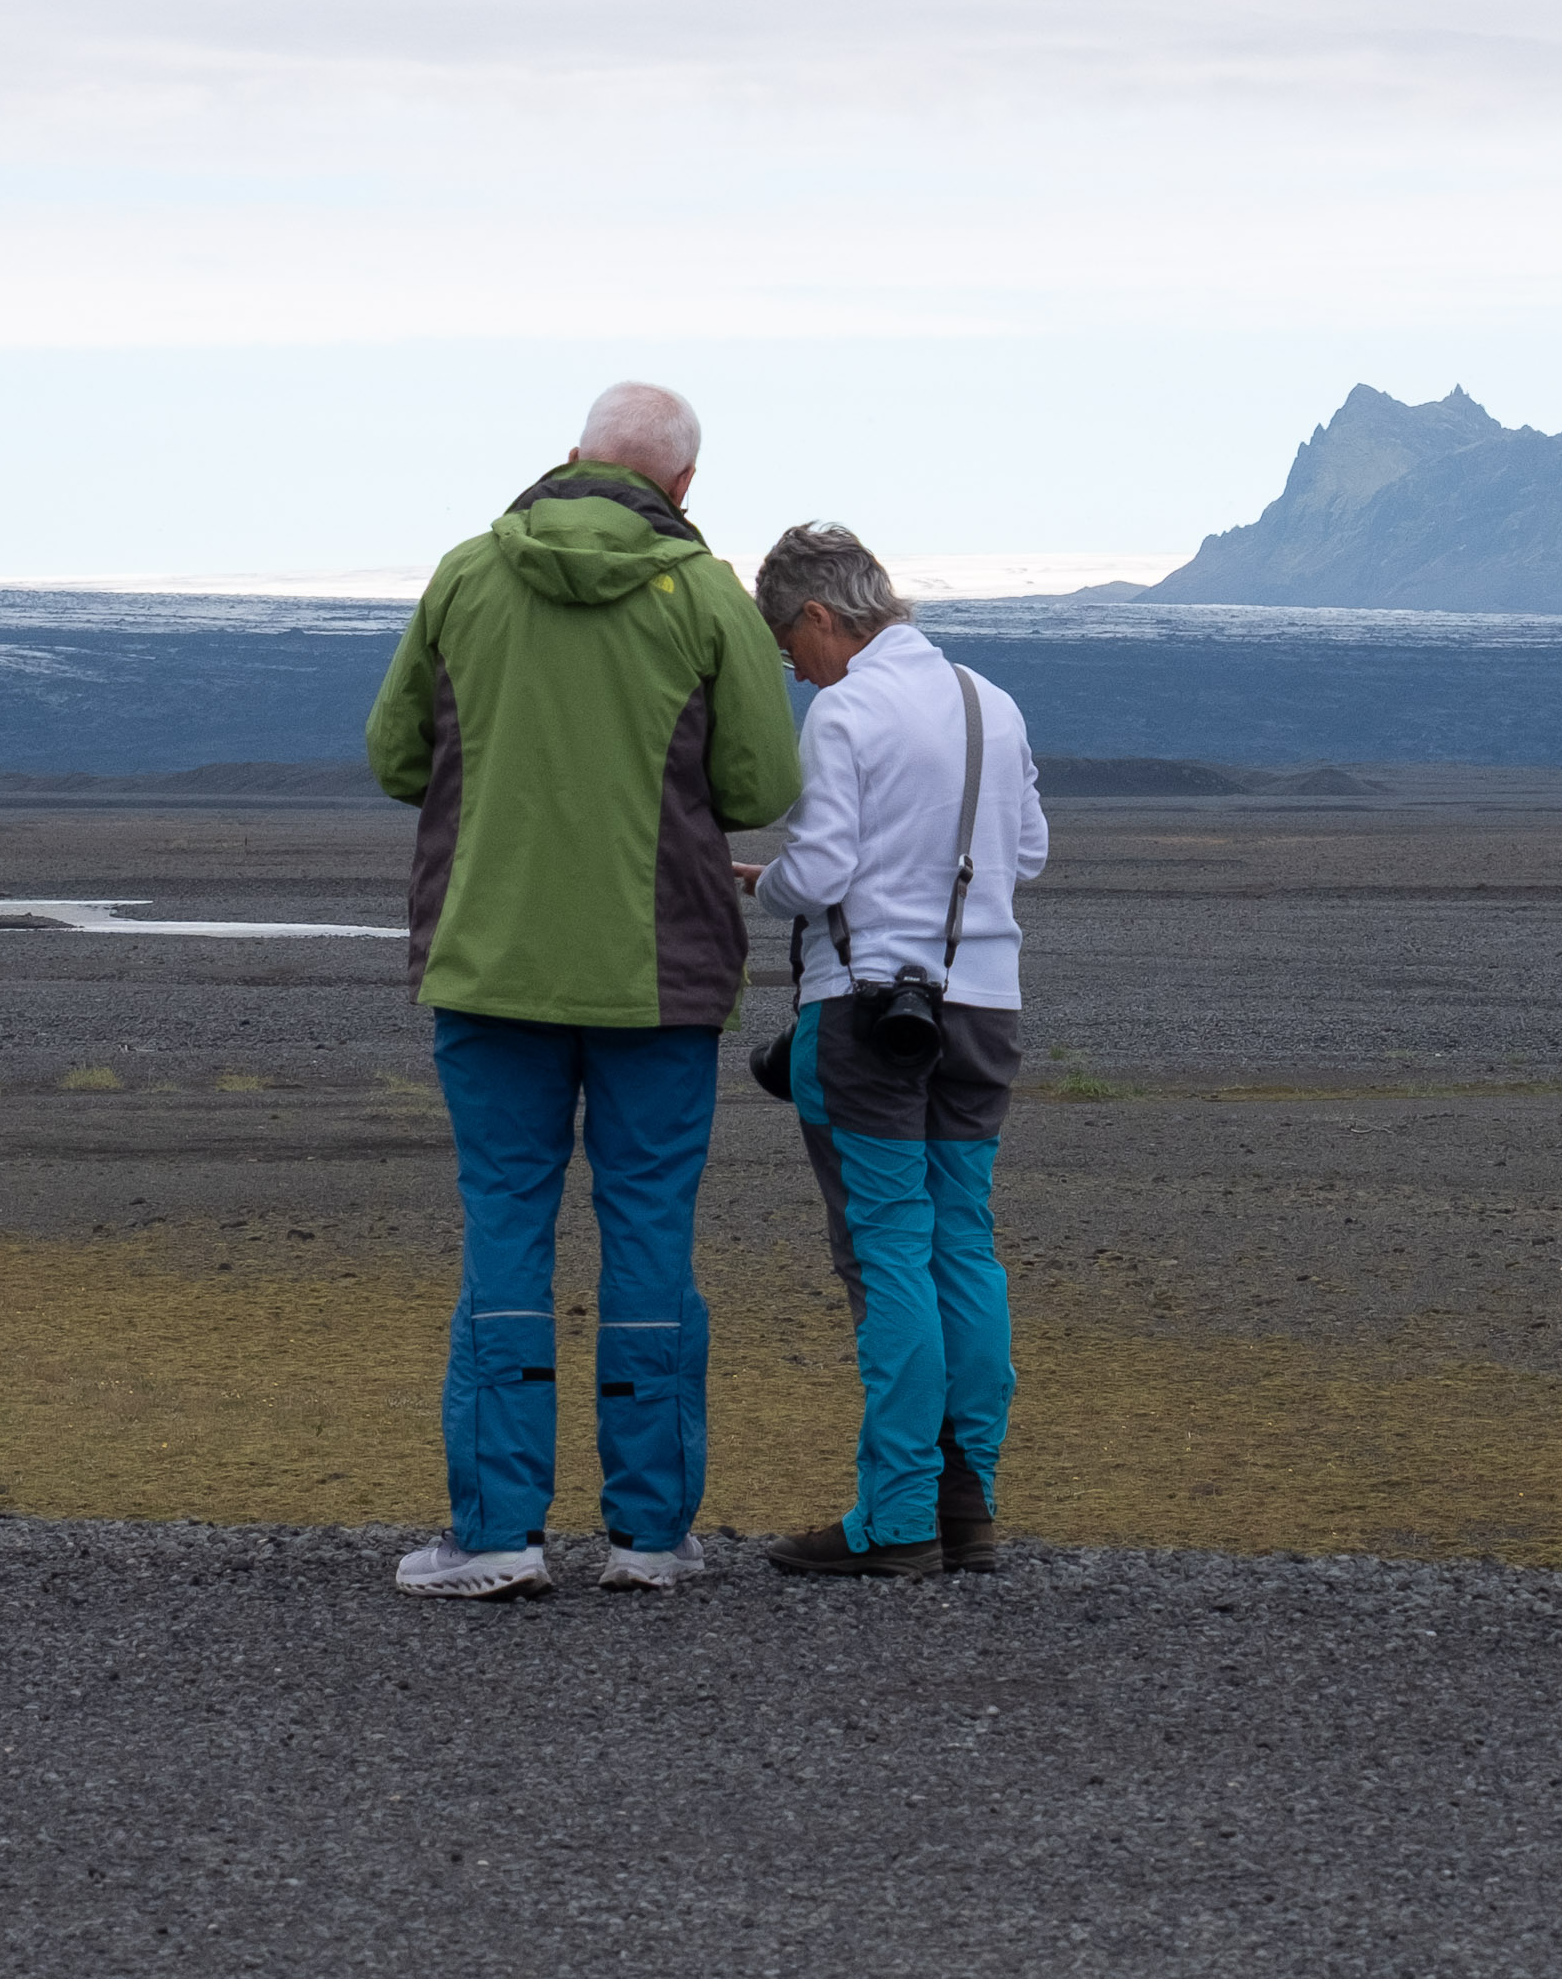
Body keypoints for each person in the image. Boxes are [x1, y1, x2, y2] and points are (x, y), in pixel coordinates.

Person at [365, 381, 802, 1600]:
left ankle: (496, 1533)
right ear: (683, 485)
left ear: (570, 458)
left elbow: (395, 757)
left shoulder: (466, 575)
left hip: (490, 966)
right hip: (657, 979)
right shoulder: (707, 594)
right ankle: (649, 1537)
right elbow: (760, 783)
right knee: (650, 1234)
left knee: (505, 1230)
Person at [738, 522, 1050, 1578]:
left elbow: (821, 870)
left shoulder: (845, 710)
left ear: (821, 616)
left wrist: (766, 887)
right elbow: (1029, 851)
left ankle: (897, 1516)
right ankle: (968, 1504)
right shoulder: (990, 702)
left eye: (789, 644)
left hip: (865, 1013)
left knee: (887, 1250)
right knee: (962, 1242)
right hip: (985, 1008)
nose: (793, 667)